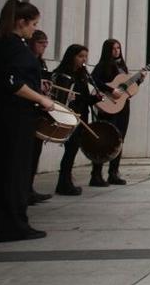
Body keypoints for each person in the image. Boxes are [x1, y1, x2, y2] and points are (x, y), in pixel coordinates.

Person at [0, 0, 54, 242]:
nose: (34, 29)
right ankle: (13, 224)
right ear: (21, 22)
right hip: (15, 115)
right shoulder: (15, 47)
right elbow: (13, 82)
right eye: (33, 24)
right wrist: (42, 99)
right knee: (15, 169)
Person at [52, 44, 100, 196]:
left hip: (80, 115)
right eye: (80, 56)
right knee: (70, 149)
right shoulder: (64, 75)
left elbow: (84, 99)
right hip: (69, 116)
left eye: (85, 57)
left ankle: (66, 181)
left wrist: (95, 98)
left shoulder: (81, 75)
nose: (83, 60)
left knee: (72, 150)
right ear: (72, 57)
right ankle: (63, 182)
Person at [91, 39, 131, 185]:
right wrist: (110, 89)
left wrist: (140, 80)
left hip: (123, 106)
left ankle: (113, 173)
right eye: (113, 48)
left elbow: (127, 88)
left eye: (118, 48)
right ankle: (96, 174)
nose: (117, 51)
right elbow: (93, 80)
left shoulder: (122, 67)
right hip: (108, 106)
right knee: (105, 138)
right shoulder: (102, 65)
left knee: (119, 139)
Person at [27, 30, 53, 203]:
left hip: (39, 110)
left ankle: (29, 188)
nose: (44, 46)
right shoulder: (27, 60)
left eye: (46, 43)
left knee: (35, 151)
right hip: (28, 109)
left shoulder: (41, 62)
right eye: (40, 43)